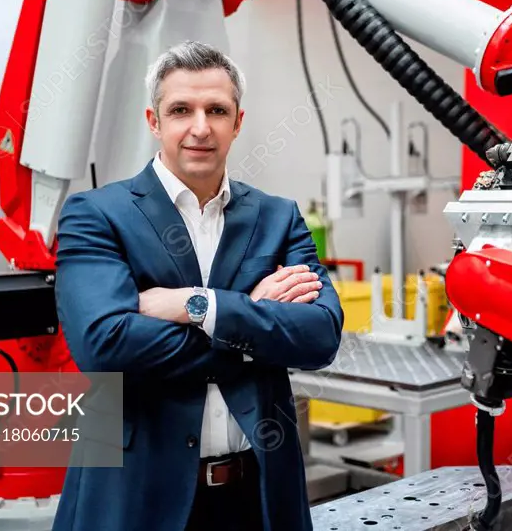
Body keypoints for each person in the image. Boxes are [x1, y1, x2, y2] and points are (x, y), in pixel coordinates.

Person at [52, 40, 344, 531]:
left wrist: (199, 306)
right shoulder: (98, 214)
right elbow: (104, 345)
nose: (200, 127)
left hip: (257, 494)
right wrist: (253, 326)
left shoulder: (278, 217)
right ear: (154, 121)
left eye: (217, 110)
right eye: (181, 110)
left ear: (238, 121)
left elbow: (320, 337)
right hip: (138, 493)